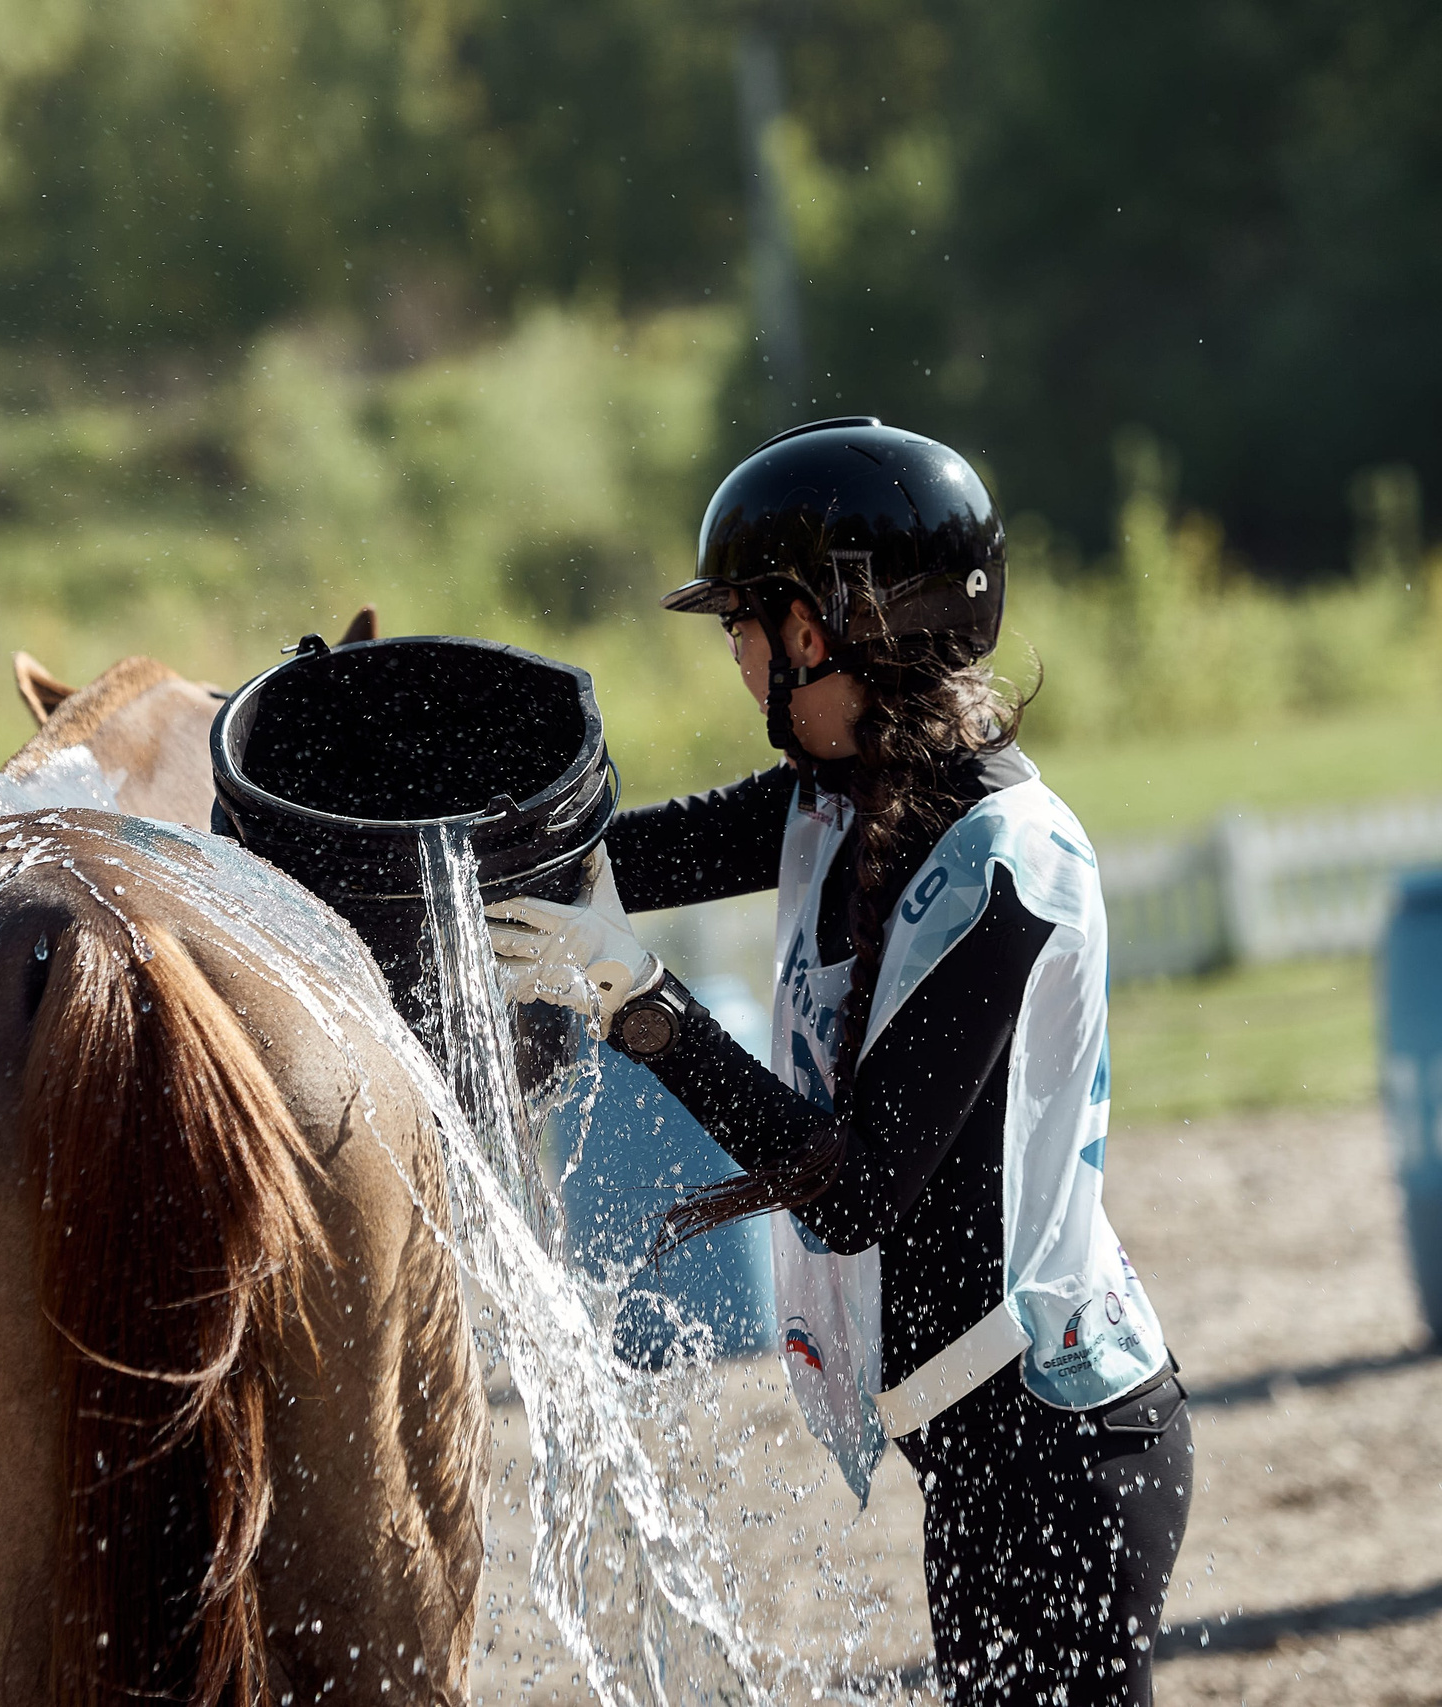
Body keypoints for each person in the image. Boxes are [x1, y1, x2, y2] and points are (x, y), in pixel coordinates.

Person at [486, 418, 1190, 1706]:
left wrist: (641, 1005)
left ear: (817, 632)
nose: (737, 657)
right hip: (988, 1445)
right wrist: (439, 842)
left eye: (743, 626)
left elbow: (860, 1187)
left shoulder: (1009, 864)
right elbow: (611, 862)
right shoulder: (833, 792)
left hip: (1066, 1450)